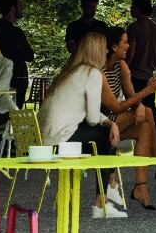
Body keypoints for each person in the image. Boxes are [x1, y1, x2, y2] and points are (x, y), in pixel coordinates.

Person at [40, 31, 123, 218]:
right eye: (104, 47)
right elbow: (92, 118)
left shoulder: (71, 71)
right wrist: (110, 124)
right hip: (60, 138)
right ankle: (103, 200)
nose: (107, 50)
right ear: (96, 50)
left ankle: (108, 190)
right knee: (105, 136)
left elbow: (88, 113)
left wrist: (109, 122)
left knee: (105, 132)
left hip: (46, 137)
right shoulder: (92, 73)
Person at [101, 25, 156, 208]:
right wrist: (146, 92)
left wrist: (139, 105)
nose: (128, 46)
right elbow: (116, 107)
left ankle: (140, 187)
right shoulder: (99, 70)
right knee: (149, 112)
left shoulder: (121, 66)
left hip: (116, 121)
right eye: (125, 42)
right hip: (100, 123)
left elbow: (130, 95)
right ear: (114, 47)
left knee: (145, 127)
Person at [127, 0, 156, 160]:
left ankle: (143, 142)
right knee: (151, 107)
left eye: (132, 5)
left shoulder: (134, 28)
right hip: (150, 75)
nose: (131, 9)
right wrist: (154, 65)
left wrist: (124, 66)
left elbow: (131, 52)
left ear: (138, 8)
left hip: (135, 73)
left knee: (136, 107)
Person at [0, 0, 34, 104]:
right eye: (20, 5)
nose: (22, 8)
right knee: (15, 116)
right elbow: (29, 55)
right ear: (13, 9)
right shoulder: (16, 32)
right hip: (16, 79)